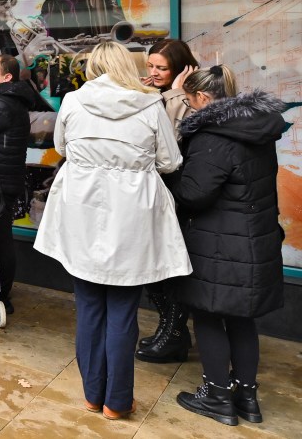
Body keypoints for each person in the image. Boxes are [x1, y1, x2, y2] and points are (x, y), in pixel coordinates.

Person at [33, 41, 190, 420]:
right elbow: (170, 161)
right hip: (132, 216)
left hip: (82, 212)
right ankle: (117, 402)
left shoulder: (72, 101)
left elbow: (61, 147)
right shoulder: (150, 104)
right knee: (123, 310)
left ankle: (92, 394)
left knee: (88, 306)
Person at [170, 67, 286, 426]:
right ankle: (247, 399)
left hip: (218, 245)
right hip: (253, 241)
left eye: (189, 102)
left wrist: (171, 175)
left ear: (203, 99)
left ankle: (218, 395)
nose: (189, 109)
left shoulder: (212, 136)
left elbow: (194, 194)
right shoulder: (257, 130)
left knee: (207, 316)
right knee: (241, 320)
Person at [135, 38, 200, 364]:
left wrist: (174, 93)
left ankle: (173, 333)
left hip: (176, 192)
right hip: (155, 190)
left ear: (180, 69)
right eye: (151, 66)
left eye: (162, 68)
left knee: (169, 270)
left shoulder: (190, 98)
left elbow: (173, 143)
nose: (155, 72)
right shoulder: (157, 93)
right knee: (154, 268)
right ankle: (171, 330)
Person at [0, 53, 37, 314]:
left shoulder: (1, 104)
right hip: (3, 179)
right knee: (1, 237)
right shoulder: (11, 102)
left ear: (7, 77)